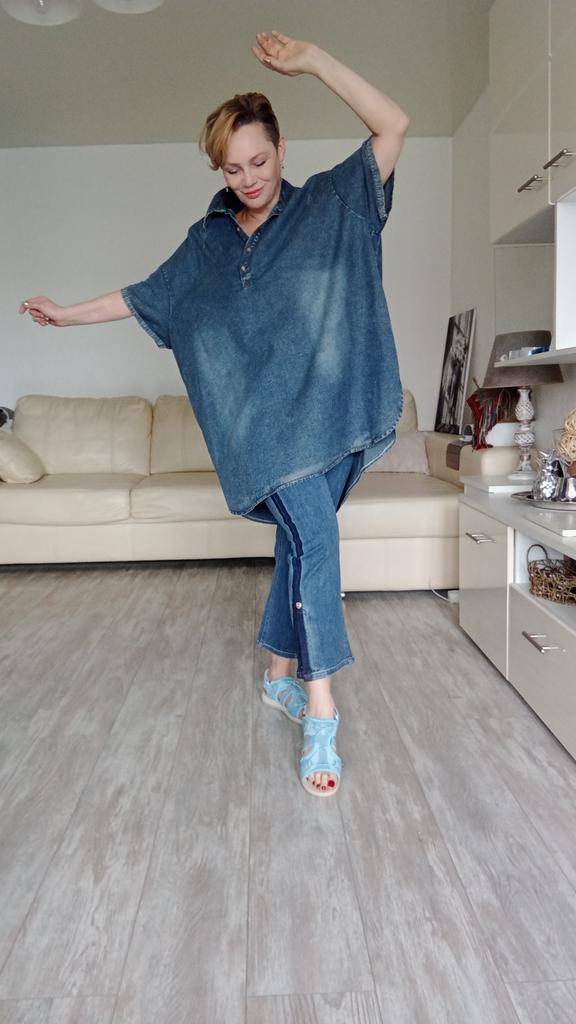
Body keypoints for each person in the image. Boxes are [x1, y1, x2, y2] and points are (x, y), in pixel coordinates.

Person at [19, 30, 409, 798]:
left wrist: (312, 62)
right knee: (318, 537)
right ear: (218, 170)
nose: (249, 178)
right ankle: (321, 712)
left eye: (260, 161)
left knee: (300, 545)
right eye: (233, 168)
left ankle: (277, 672)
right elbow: (144, 295)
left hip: (329, 418)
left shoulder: (329, 202)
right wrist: (66, 314)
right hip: (265, 434)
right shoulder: (208, 241)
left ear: (281, 149)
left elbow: (393, 125)